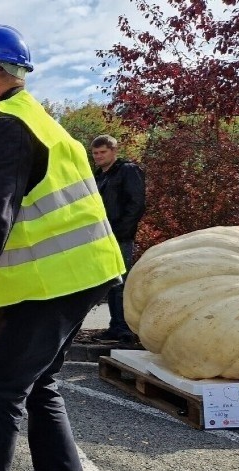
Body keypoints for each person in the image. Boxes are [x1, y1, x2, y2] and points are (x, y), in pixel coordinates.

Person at [0, 25, 126, 471]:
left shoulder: (6, 123)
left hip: (53, 283)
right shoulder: (36, 118)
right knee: (40, 387)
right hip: (82, 274)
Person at [90, 134, 146, 344]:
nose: (98, 156)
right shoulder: (99, 176)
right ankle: (115, 328)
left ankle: (123, 330)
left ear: (114, 151)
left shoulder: (127, 171)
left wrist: (121, 231)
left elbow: (136, 204)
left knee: (120, 283)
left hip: (119, 236)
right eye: (95, 153)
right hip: (101, 236)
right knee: (109, 283)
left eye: (103, 152)